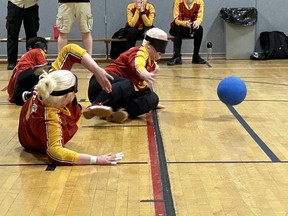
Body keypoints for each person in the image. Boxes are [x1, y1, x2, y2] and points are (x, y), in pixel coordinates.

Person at [18, 70, 124, 165]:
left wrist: (96, 70)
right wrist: (96, 159)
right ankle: (83, 111)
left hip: (27, 129)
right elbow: (55, 153)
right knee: (68, 115)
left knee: (71, 106)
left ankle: (84, 111)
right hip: (33, 143)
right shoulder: (50, 119)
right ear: (66, 95)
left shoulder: (43, 88)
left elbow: (68, 50)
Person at [83, 27, 168, 124]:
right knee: (127, 84)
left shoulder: (152, 65)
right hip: (102, 83)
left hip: (116, 96)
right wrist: (143, 73)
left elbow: (142, 88)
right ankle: (95, 105)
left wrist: (150, 102)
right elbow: (137, 64)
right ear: (148, 44)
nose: (163, 49)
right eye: (160, 44)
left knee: (153, 97)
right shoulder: (139, 51)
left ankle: (123, 112)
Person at [6, 43, 113, 106]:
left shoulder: (21, 62)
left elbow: (11, 90)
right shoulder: (37, 51)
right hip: (27, 82)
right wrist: (97, 70)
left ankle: (32, 94)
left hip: (19, 89)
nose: (45, 54)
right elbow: (68, 51)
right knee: (66, 77)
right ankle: (35, 94)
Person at [5, 37, 48, 105]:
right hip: (25, 76)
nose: (45, 51)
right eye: (44, 48)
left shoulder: (26, 55)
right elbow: (44, 67)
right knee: (44, 73)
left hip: (16, 83)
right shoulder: (37, 51)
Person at [167, 0, 206, 66]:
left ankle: (196, 56)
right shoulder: (178, 1)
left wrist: (197, 22)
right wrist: (185, 23)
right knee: (177, 28)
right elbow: (177, 20)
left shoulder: (200, 2)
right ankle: (177, 56)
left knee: (200, 29)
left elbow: (199, 18)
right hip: (178, 26)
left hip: (190, 27)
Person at [6, 0, 40, 70]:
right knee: (12, 34)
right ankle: (11, 62)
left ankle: (31, 60)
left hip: (32, 4)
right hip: (15, 3)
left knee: (32, 35)